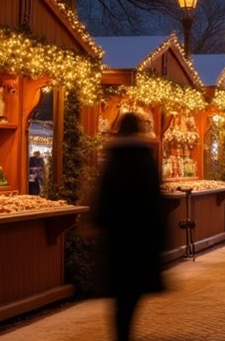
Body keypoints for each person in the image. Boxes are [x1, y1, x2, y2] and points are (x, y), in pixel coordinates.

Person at [92, 112, 165, 341]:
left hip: (117, 236)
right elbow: (154, 200)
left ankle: (122, 332)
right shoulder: (145, 159)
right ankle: (124, 332)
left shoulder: (112, 158)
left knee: (121, 291)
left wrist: (99, 223)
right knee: (132, 291)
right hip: (141, 235)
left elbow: (103, 196)